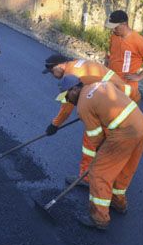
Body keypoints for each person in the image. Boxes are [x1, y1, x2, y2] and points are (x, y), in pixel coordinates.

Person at [57, 75, 143, 230]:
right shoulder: (100, 84)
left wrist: (101, 155)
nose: (67, 101)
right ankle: (118, 202)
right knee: (124, 169)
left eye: (66, 97)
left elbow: (96, 136)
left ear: (74, 90)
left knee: (99, 172)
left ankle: (99, 218)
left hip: (124, 132)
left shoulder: (83, 106)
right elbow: (123, 95)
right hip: (141, 124)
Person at [42, 54, 131, 187]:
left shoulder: (70, 75)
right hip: (122, 95)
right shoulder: (76, 64)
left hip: (115, 100)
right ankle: (110, 174)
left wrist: (54, 125)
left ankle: (88, 178)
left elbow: (67, 106)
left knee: (91, 138)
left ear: (59, 66)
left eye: (51, 71)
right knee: (110, 139)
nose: (52, 75)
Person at [105, 10, 143, 103]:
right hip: (111, 82)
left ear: (124, 24)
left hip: (127, 88)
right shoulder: (114, 36)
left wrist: (139, 76)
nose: (113, 30)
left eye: (115, 27)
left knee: (124, 110)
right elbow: (110, 55)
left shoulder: (138, 41)